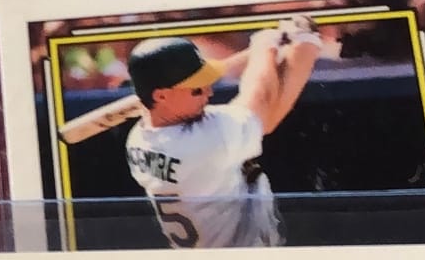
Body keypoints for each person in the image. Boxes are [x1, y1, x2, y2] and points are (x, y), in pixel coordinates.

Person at [122, 20, 323, 248]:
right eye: (197, 89)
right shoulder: (204, 144)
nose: (209, 92)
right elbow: (263, 100)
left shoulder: (138, 138)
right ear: (161, 96)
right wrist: (268, 45)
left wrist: (295, 48)